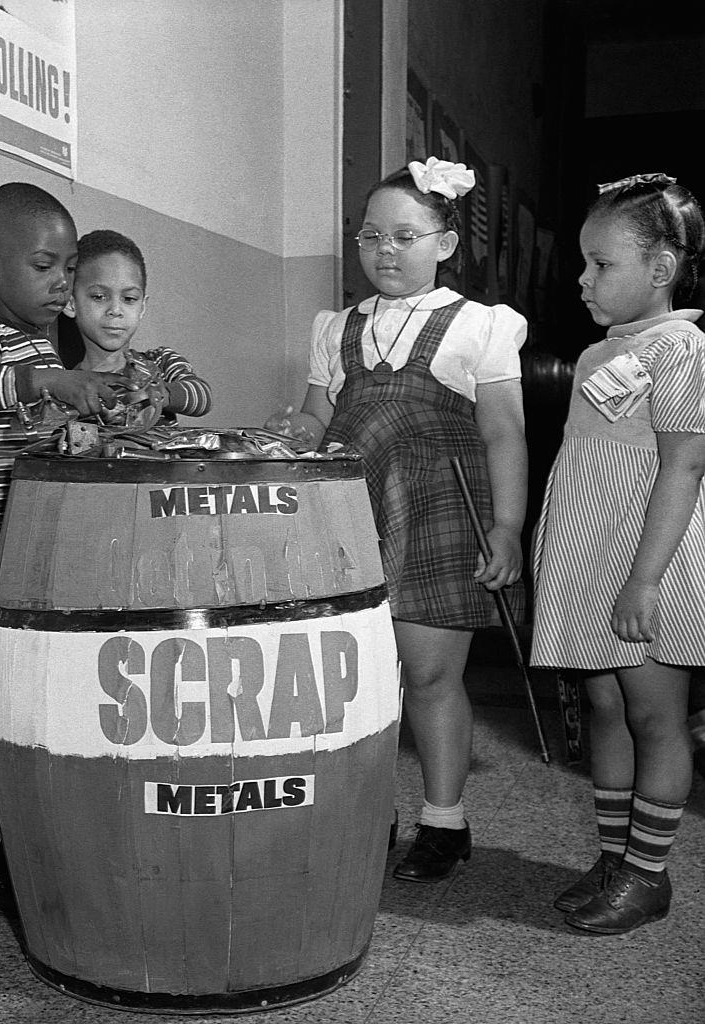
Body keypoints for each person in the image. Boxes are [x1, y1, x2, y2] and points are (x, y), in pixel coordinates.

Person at [268, 157, 528, 882]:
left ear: (444, 243)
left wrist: (507, 527)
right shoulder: (336, 326)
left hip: (438, 511)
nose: (386, 250)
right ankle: (368, 812)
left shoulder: (480, 328)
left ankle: (444, 819)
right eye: (371, 236)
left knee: (430, 674)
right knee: (360, 676)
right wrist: (296, 431)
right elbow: (321, 414)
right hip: (353, 512)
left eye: (406, 236)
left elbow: (505, 430)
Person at [0, 182, 124, 916]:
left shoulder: (48, 339)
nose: (61, 282)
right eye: (45, 264)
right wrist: (44, 380)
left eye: (68, 265)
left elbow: (40, 432)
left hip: (35, 550)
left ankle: (25, 841)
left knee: (26, 705)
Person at [531, 172, 705, 935]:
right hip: (594, 552)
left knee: (653, 713)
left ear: (660, 270)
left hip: (646, 560)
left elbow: (683, 466)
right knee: (604, 703)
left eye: (602, 264)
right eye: (584, 261)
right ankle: (613, 856)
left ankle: (648, 873)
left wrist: (643, 580)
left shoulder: (681, 345)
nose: (582, 278)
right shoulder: (608, 350)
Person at [64, 229, 212, 423]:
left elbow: (202, 396)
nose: (116, 310)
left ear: (142, 307)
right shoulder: (68, 386)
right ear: (71, 303)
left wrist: (161, 393)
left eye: (129, 299)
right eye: (99, 297)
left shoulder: (160, 362)